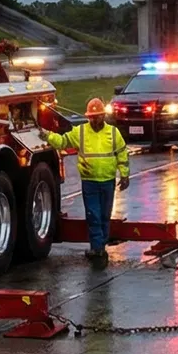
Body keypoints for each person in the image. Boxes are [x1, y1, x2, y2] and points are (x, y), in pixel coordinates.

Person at [46, 97, 130, 262]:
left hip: (108, 181)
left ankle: (100, 245)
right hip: (89, 181)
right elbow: (63, 142)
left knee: (104, 215)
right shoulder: (80, 132)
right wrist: (47, 135)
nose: (94, 119)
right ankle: (97, 248)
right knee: (94, 215)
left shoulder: (113, 133)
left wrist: (125, 174)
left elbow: (122, 154)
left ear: (103, 116)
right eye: (92, 117)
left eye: (97, 116)